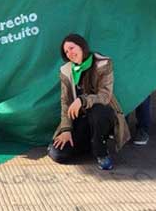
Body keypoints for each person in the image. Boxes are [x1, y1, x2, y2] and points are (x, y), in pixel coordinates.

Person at [48, 34, 130, 170]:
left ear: (82, 46)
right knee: (57, 154)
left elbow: (105, 96)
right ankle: (87, 144)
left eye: (72, 48)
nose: (69, 53)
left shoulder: (103, 63)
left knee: (99, 111)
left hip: (102, 115)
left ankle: (100, 151)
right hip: (80, 120)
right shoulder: (66, 71)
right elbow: (65, 102)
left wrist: (82, 100)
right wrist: (66, 129)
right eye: (66, 51)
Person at [100, 0, 155, 145]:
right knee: (120, 88)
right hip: (120, 46)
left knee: (142, 89)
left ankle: (143, 129)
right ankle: (121, 126)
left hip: (140, 47)